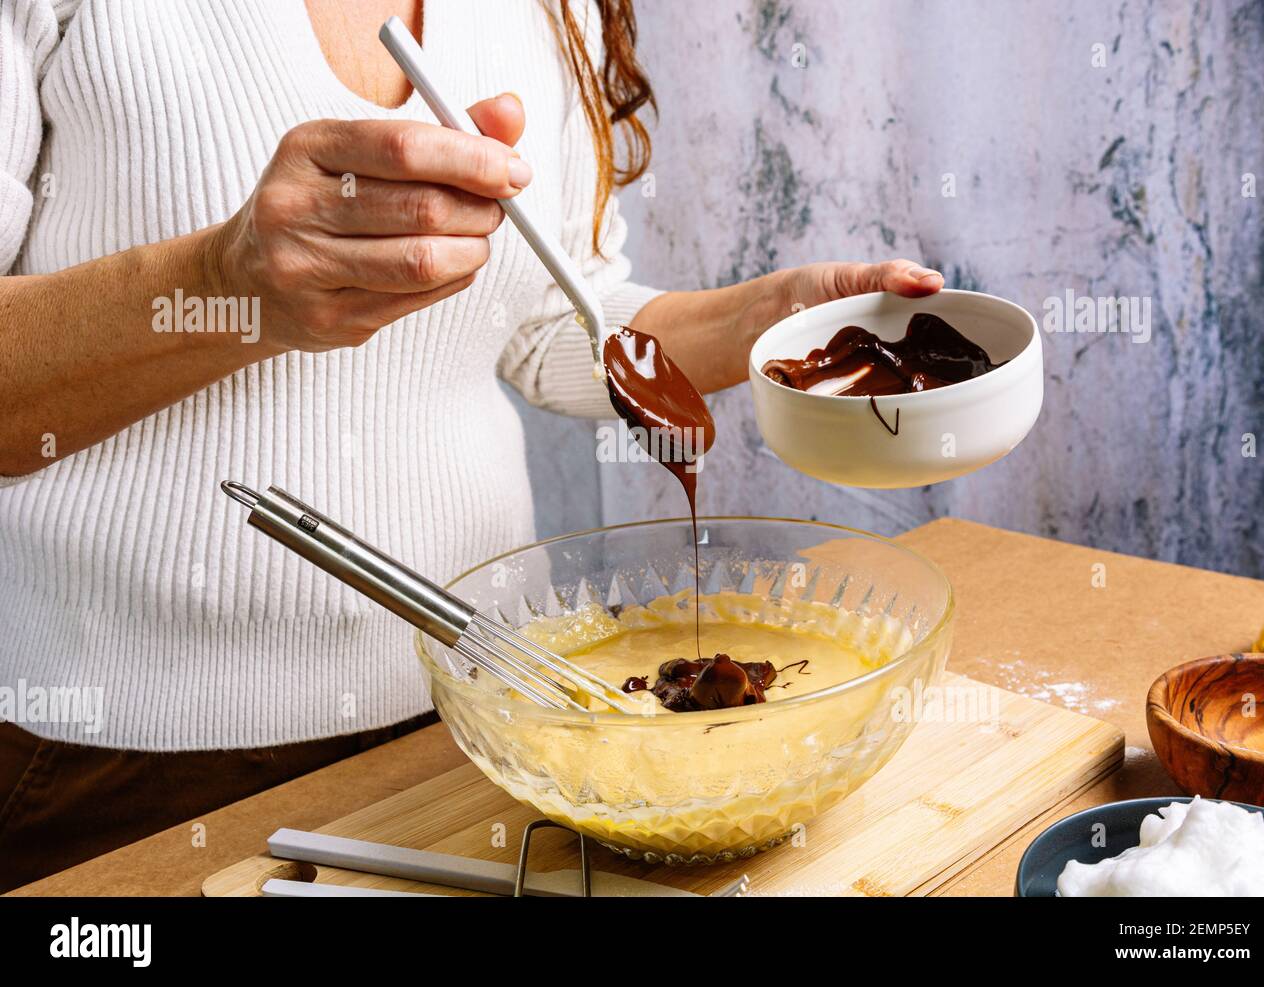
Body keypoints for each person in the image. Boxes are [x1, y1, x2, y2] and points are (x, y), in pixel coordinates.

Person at [0, 0, 944, 890]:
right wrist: (225, 278)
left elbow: (544, 315)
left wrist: (765, 320)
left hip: (494, 718)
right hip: (122, 768)